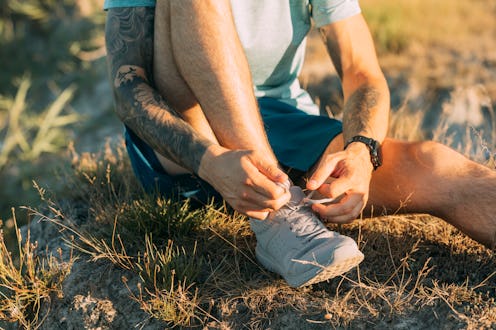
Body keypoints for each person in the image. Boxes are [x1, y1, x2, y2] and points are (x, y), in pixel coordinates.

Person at [104, 1, 496, 288]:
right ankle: (278, 215)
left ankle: (278, 190)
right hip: (187, 135)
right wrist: (209, 162)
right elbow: (127, 86)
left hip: (282, 118)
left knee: (430, 165)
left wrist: (361, 151)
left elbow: (362, 73)